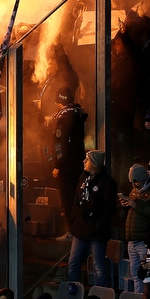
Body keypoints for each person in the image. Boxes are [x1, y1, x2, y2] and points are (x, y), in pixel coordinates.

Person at [68, 150, 118, 286]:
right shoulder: (83, 178)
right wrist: (73, 220)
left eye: (87, 159)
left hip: (97, 232)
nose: (84, 162)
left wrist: (98, 226)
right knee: (73, 261)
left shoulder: (108, 183)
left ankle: (103, 295)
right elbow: (76, 200)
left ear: (95, 163)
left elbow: (108, 209)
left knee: (98, 264)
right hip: (80, 229)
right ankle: (73, 291)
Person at [123, 163, 150, 294]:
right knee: (136, 275)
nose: (133, 185)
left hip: (144, 240)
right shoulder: (135, 190)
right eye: (131, 182)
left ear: (143, 178)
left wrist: (135, 205)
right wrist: (126, 205)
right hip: (132, 239)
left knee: (147, 276)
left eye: (135, 181)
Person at [50, 86, 88, 221]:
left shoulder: (64, 118)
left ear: (59, 100)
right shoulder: (77, 113)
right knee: (76, 193)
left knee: (67, 195)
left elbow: (60, 143)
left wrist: (58, 165)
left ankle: (71, 229)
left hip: (67, 164)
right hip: (78, 160)